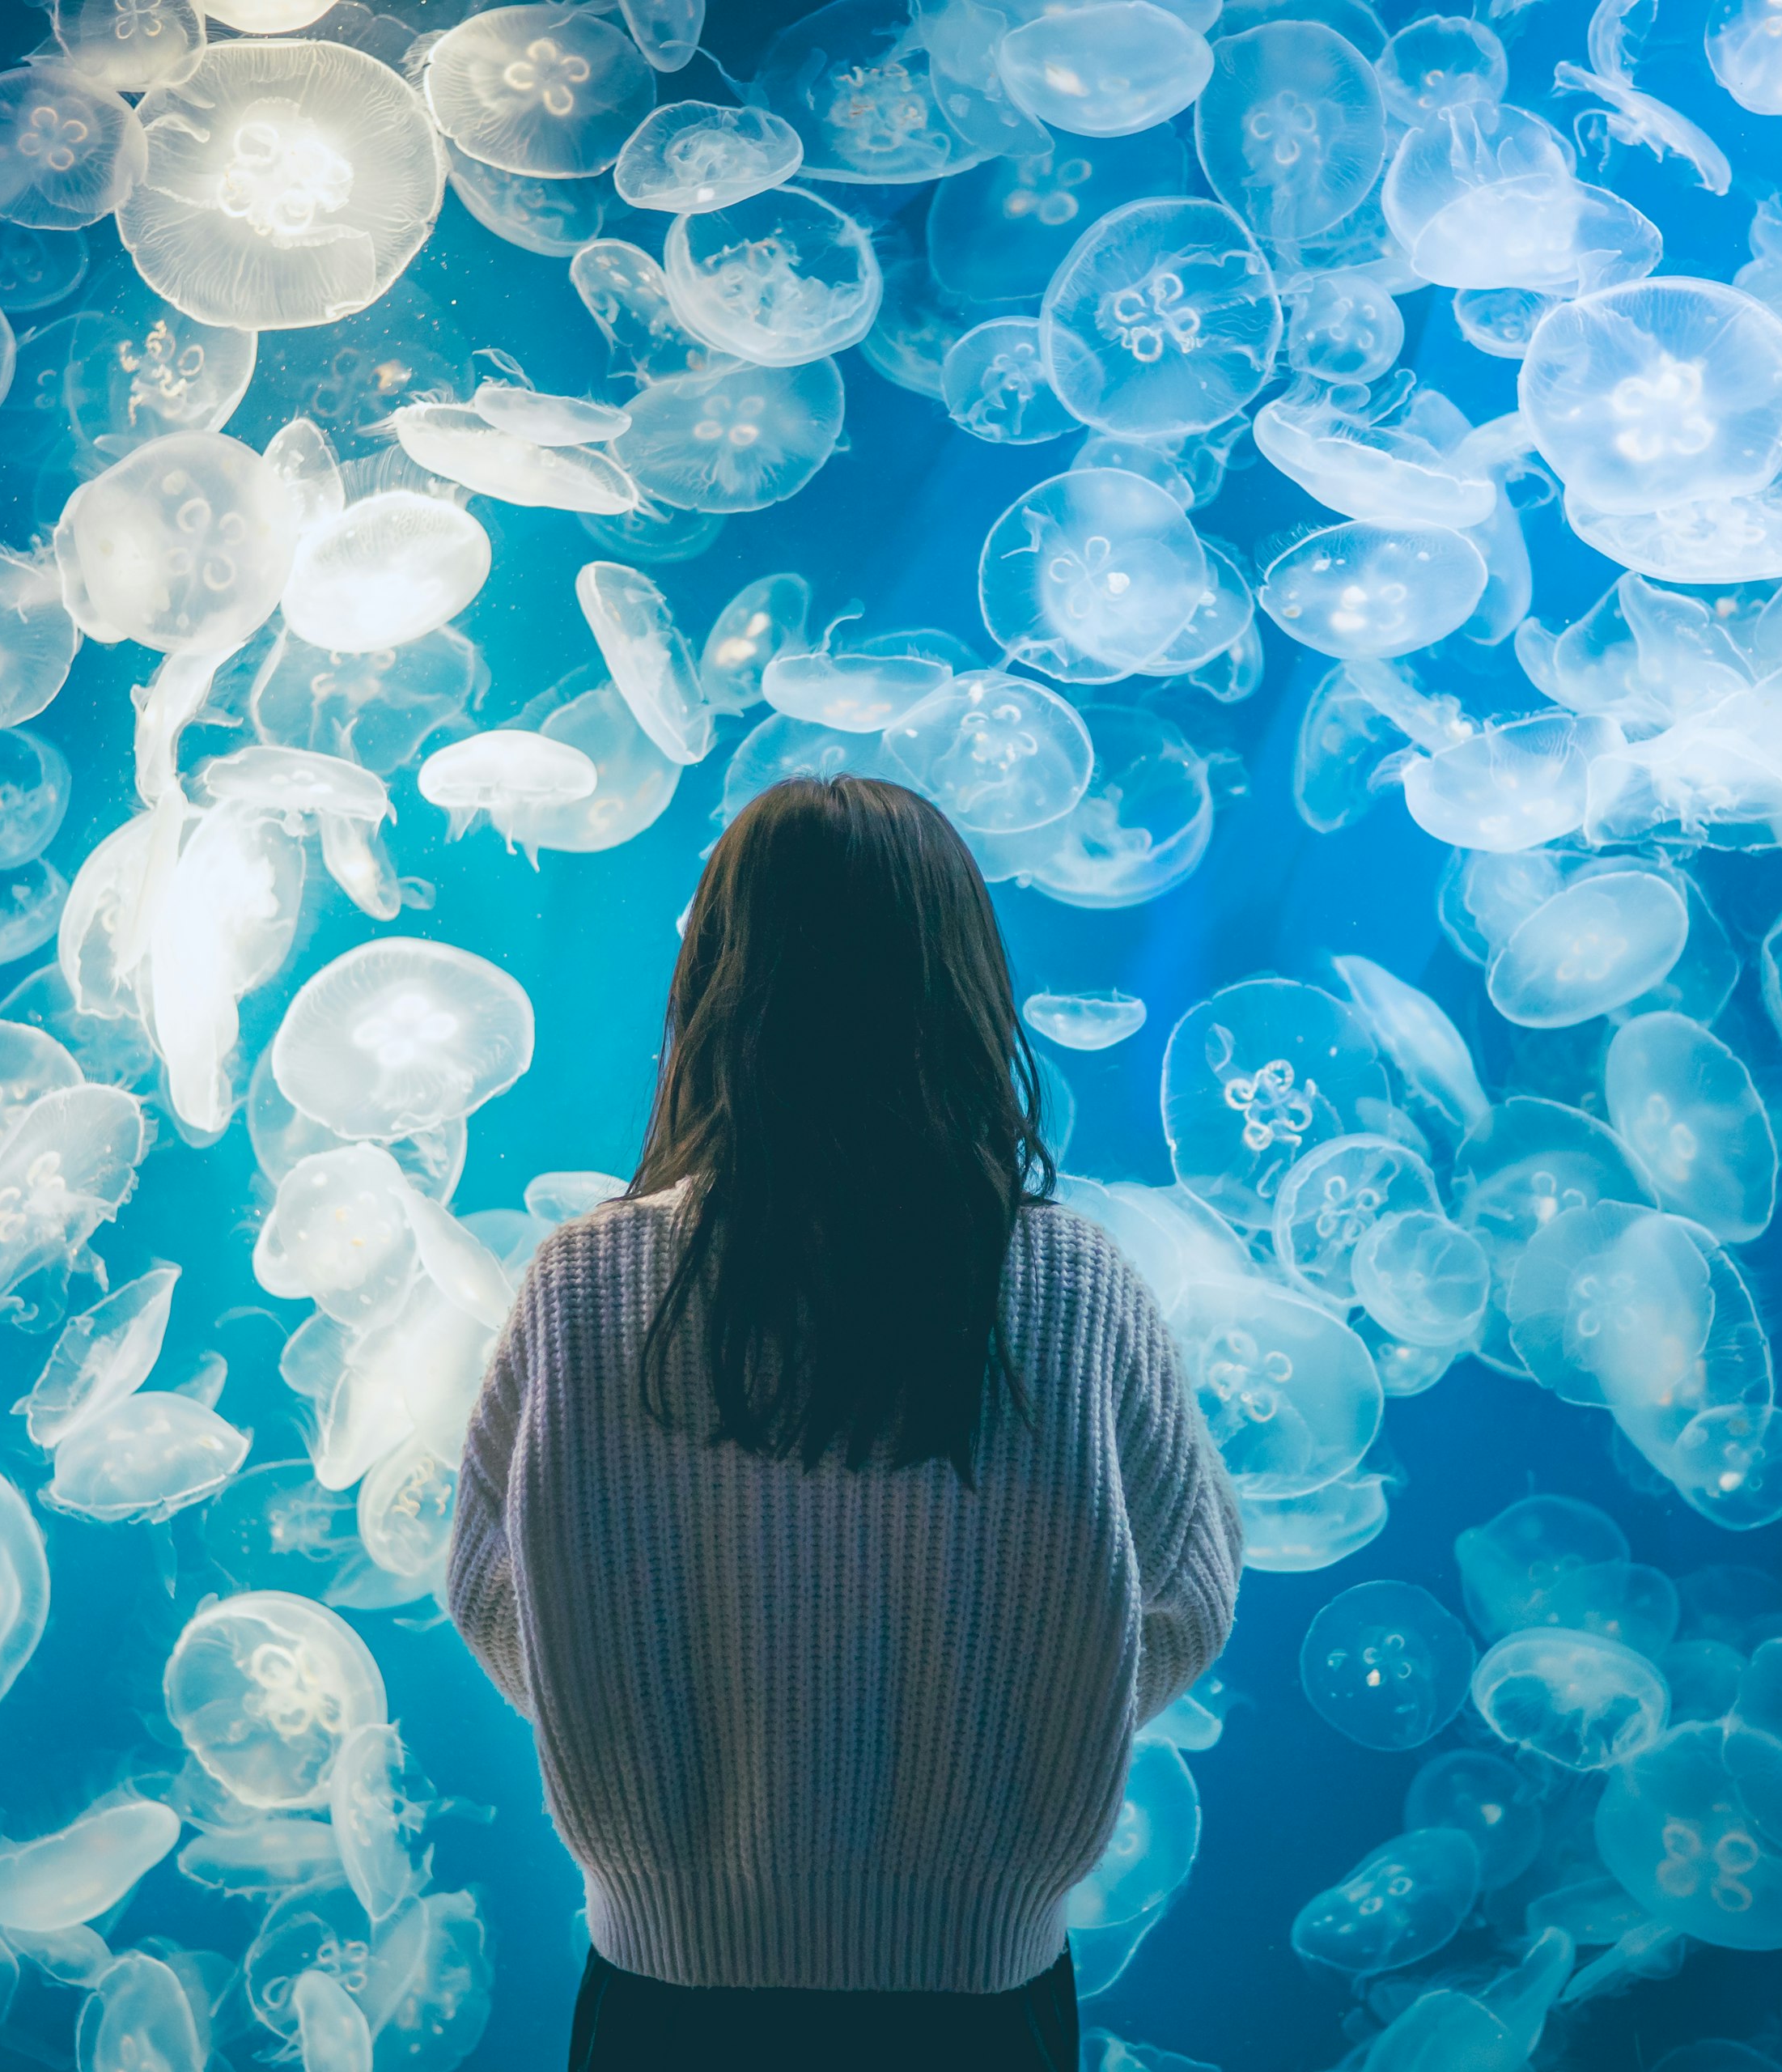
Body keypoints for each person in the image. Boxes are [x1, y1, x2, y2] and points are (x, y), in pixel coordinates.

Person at [447, 775, 1243, 2070]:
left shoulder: (585, 1285)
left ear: (715, 979)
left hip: (667, 1992)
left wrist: (649, 1758)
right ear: (962, 982)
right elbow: (1187, 1598)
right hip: (978, 1995)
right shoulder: (1072, 1286)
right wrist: (1024, 1753)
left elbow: (490, 1583)